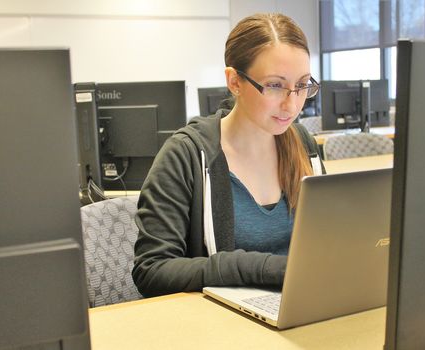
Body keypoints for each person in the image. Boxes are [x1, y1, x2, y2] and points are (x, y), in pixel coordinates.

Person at [133, 13, 324, 297]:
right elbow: (152, 270)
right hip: (222, 325)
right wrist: (259, 268)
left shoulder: (302, 144)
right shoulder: (186, 156)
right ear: (234, 81)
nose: (292, 104)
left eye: (302, 85)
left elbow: (325, 243)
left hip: (302, 306)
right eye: (274, 85)